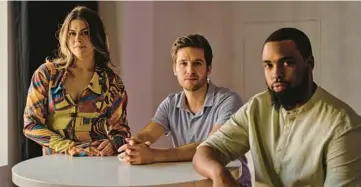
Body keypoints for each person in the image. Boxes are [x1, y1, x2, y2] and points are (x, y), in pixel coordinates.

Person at [193, 27, 361, 187]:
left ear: (309, 63)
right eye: (268, 65)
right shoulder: (256, 107)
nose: (276, 74)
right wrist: (219, 173)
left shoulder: (343, 125)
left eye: (287, 63)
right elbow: (206, 151)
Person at [118, 33, 251, 186]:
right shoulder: (170, 104)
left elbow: (212, 148)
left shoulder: (228, 100)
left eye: (197, 63)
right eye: (183, 63)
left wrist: (154, 155)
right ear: (175, 69)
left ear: (209, 68)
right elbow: (149, 133)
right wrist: (135, 144)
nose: (190, 70)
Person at [23, 6, 130, 157]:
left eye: (85, 33)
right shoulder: (46, 74)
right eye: (72, 33)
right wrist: (69, 146)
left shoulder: (111, 82)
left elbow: (122, 131)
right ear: (65, 36)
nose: (78, 39)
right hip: (54, 167)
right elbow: (31, 124)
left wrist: (114, 143)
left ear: (97, 36)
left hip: (96, 165)